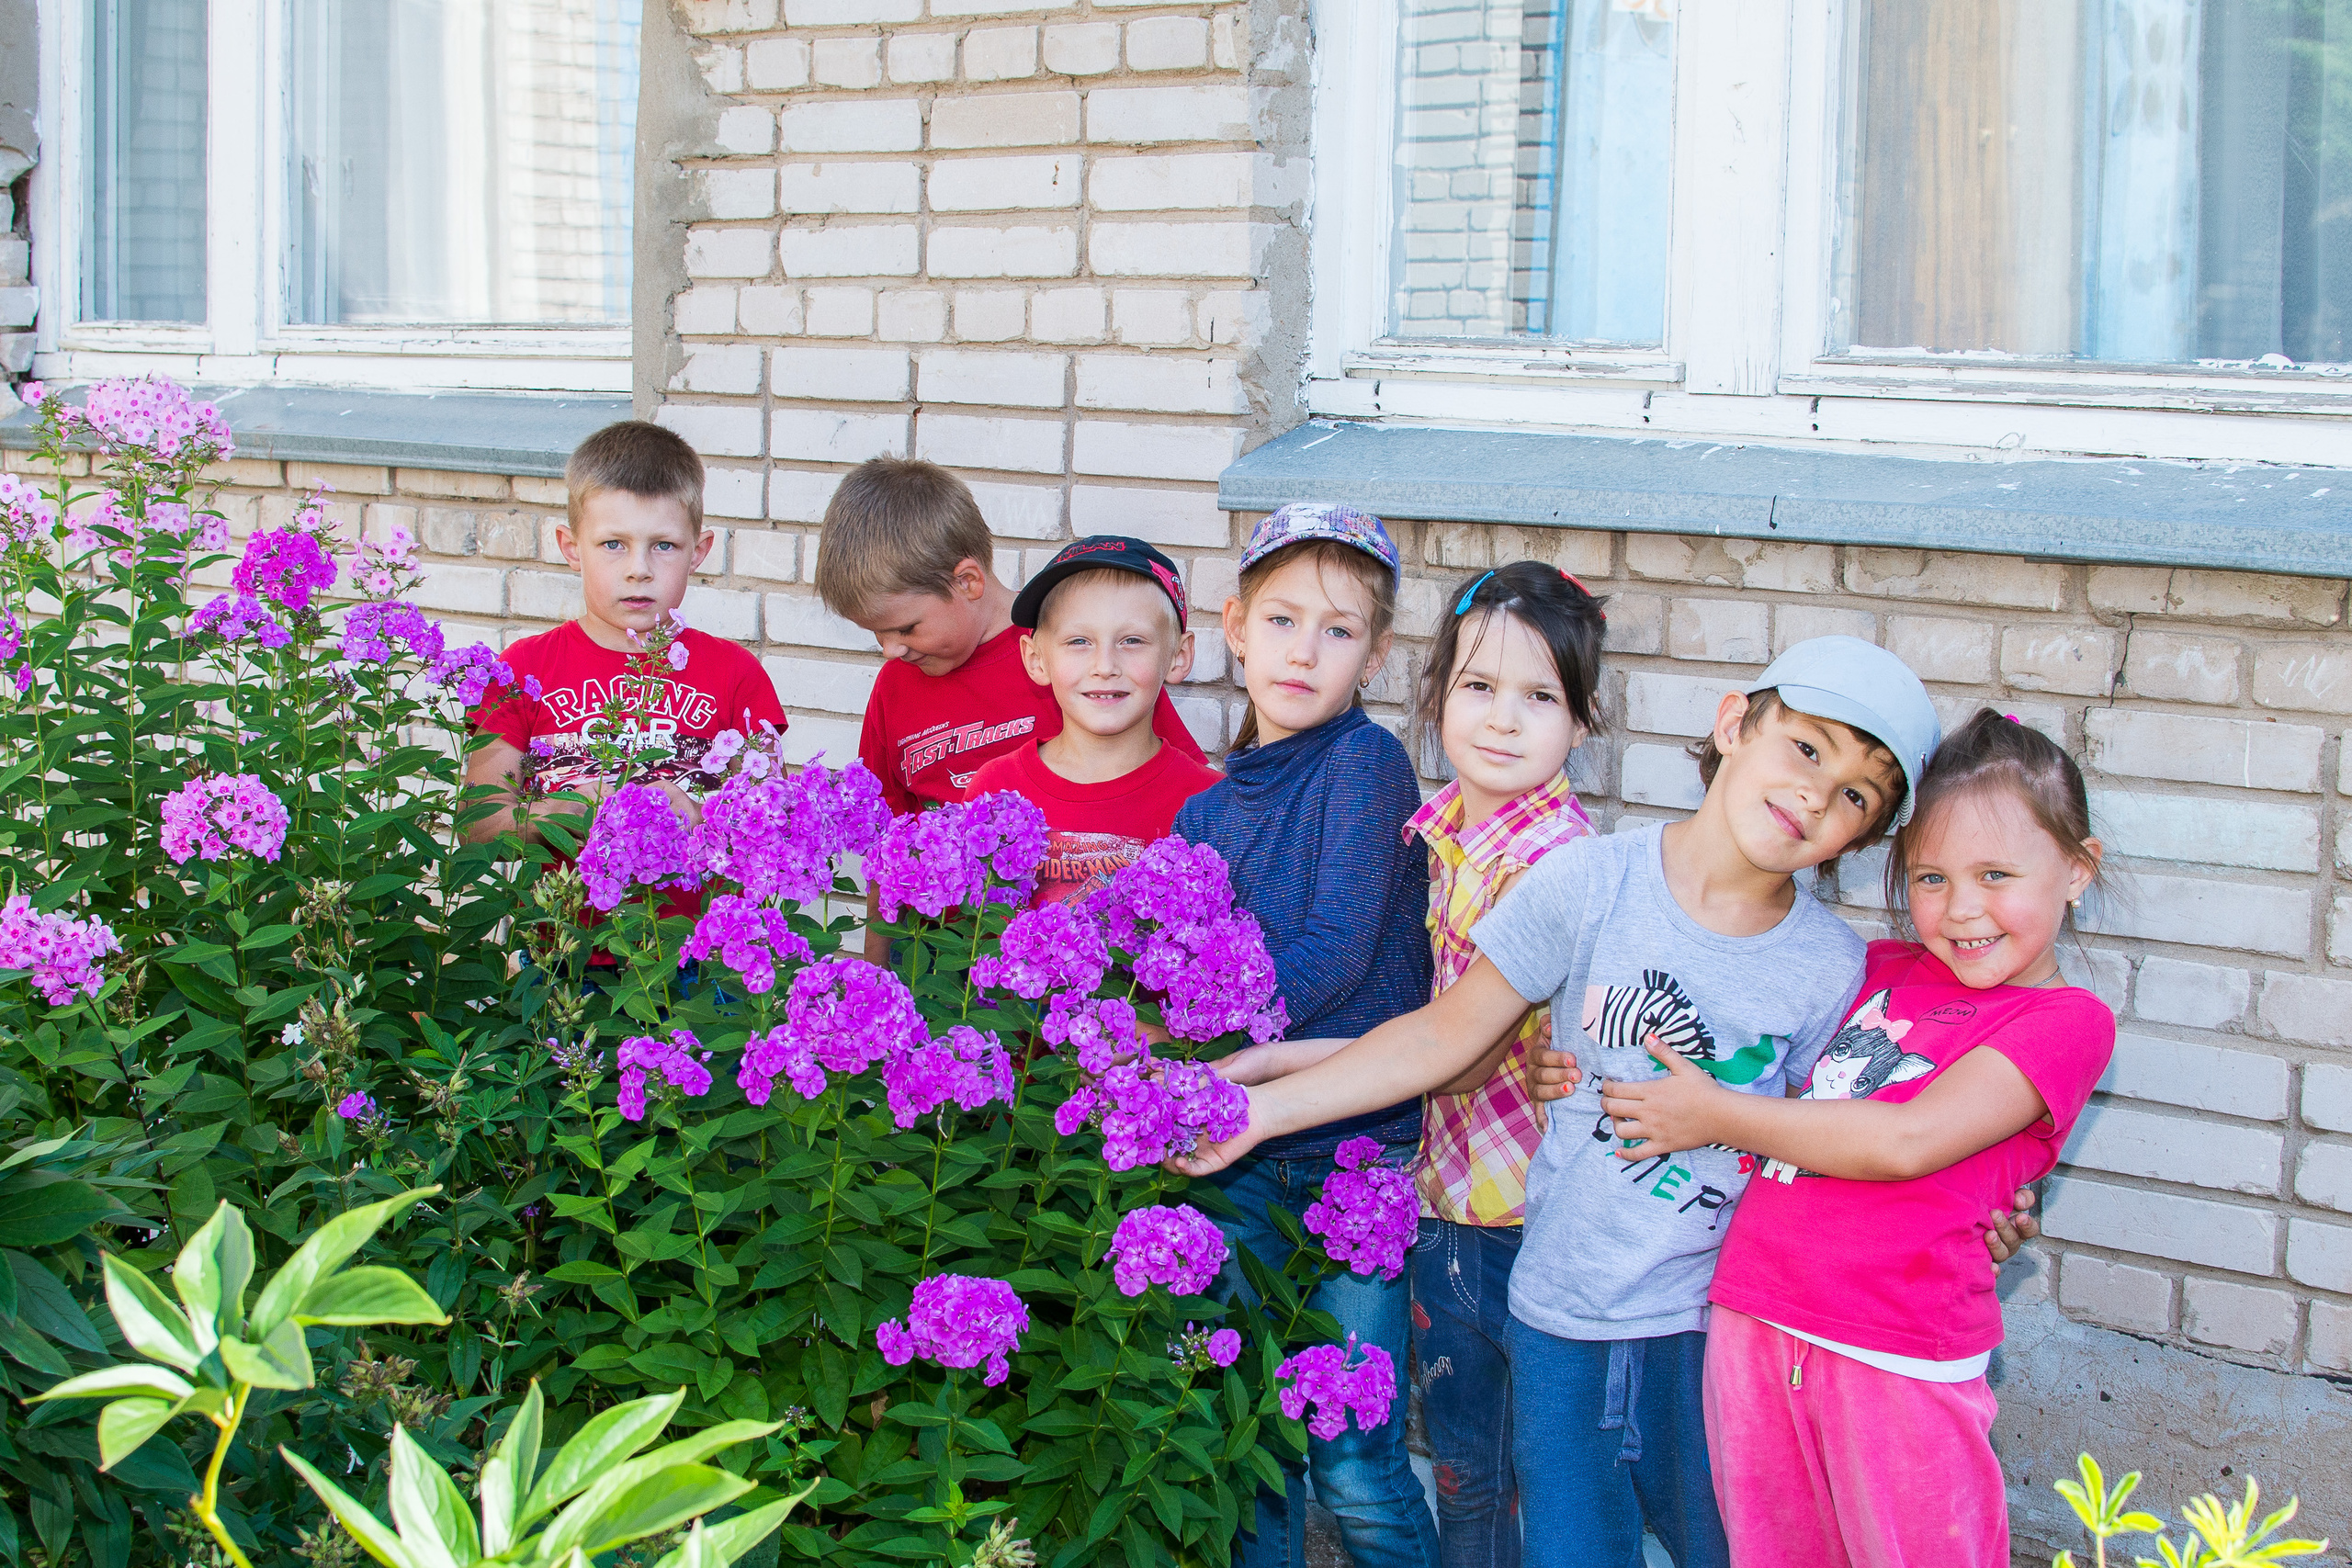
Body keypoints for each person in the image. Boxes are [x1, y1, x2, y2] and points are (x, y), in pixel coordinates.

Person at [1183, 635, 1943, 1568]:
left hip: (1718, 1331)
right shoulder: (1589, 883)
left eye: (1855, 796)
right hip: (1560, 1323)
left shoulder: (1831, 966)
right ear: (1735, 724)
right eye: (1808, 749)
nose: (1814, 796)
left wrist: (1978, 1208)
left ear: (1862, 839)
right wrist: (1265, 1111)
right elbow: (1438, 1037)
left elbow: (1847, 1135)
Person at [1574, 709, 2115, 1568]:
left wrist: (1713, 1112)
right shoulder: (1879, 970)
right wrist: (1577, 1065)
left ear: (2078, 869)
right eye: (1931, 878)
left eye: (1996, 874)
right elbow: (1757, 1056)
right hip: (1755, 1319)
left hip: (1896, 1353)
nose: (1961, 908)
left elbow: (1906, 1138)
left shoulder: (2067, 1019)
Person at [1209, 561, 1607, 1568]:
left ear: (1582, 724)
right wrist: (1262, 1065)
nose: (1504, 721)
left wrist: (1268, 1083)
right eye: (1478, 688)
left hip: (1527, 1225)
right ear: (1433, 701)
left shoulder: (1552, 861)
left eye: (1540, 698)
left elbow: (1455, 1052)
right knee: (1468, 1470)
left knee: (1522, 1488)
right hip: (1445, 1202)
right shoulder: (1446, 837)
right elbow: (1436, 1030)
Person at [1172, 502, 1439, 1568]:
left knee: (1351, 1454)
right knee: (1246, 1441)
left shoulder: (1364, 767)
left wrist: (1196, 1036)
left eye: (1338, 631)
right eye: (1282, 620)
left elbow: (1333, 949)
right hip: (1238, 1156)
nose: (1304, 651)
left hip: (1352, 1150)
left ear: (1373, 655)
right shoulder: (1205, 813)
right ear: (1234, 626)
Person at [813, 458, 1204, 952]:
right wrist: (878, 971)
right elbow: (884, 848)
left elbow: (1185, 789)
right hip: (940, 962)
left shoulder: (1074, 657)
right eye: (876, 635)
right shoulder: (895, 685)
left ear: (968, 582)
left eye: (906, 628)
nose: (891, 650)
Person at [467, 420, 785, 921]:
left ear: (699, 551)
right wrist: (566, 809)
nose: (639, 568)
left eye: (664, 545)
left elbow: (774, 822)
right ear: (571, 547)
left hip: (704, 969)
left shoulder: (735, 673)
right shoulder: (521, 670)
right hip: (566, 955)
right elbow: (478, 827)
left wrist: (696, 813)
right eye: (613, 544)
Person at [962, 536, 1222, 906]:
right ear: (1036, 659)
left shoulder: (1210, 802)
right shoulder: (995, 789)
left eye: (1132, 641)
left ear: (1179, 656)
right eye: (1079, 641)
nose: (1104, 667)